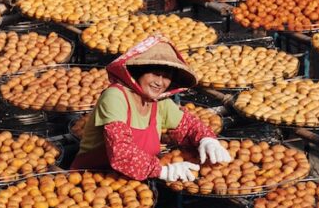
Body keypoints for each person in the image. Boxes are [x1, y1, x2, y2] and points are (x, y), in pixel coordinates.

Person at [71, 34, 231, 180]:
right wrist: (162, 170)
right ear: (139, 71)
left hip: (132, 184)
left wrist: (206, 139)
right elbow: (120, 152)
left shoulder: (159, 102)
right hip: (90, 179)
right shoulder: (115, 97)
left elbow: (189, 126)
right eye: (155, 73)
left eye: (166, 76)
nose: (160, 82)